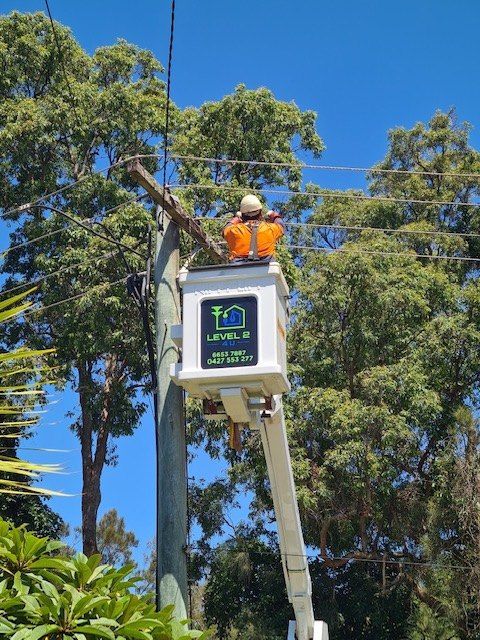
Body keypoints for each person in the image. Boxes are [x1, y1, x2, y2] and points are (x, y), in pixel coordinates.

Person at [222, 195, 285, 262]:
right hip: (265, 268)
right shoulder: (270, 228)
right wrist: (274, 215)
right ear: (260, 213)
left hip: (239, 268)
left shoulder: (235, 230)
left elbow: (225, 230)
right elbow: (281, 226)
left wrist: (237, 218)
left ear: (242, 215)